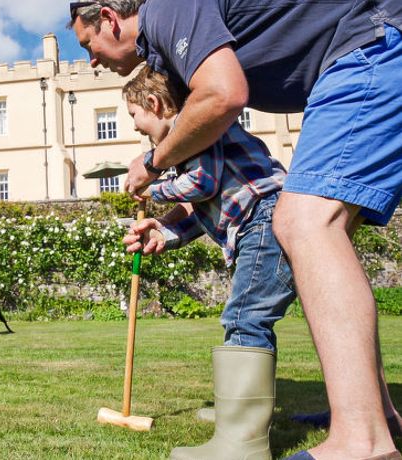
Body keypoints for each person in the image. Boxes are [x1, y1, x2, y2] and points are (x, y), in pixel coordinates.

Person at [68, 1, 402, 459]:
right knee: (320, 239)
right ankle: (372, 415)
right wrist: (165, 232)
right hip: (359, 52)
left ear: (108, 17)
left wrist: (153, 167)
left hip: (374, 44)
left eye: (88, 44)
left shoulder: (167, 10)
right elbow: (207, 199)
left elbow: (222, 101)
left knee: (287, 248)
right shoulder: (175, 68)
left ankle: (264, 441)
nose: (91, 60)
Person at [122, 65, 295, 459]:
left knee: (245, 318)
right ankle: (236, 417)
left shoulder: (192, 124)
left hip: (265, 219)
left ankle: (242, 443)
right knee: (248, 318)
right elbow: (202, 206)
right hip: (261, 220)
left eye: (135, 117)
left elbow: (202, 185)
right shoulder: (187, 143)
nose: (135, 129)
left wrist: (154, 183)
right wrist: (164, 232)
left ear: (153, 103)